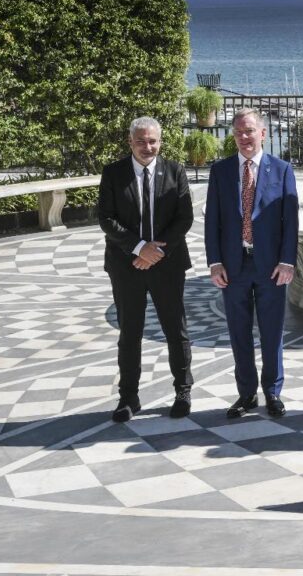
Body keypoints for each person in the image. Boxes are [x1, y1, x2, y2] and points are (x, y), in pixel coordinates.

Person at [97, 117, 194, 422]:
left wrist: (157, 251)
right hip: (127, 265)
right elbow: (106, 218)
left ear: (160, 142)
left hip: (167, 264)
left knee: (175, 329)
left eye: (152, 141)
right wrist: (140, 248)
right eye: (141, 141)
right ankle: (129, 398)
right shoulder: (113, 173)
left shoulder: (175, 171)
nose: (147, 147)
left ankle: (183, 391)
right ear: (130, 142)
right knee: (130, 332)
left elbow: (184, 217)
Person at [205, 107, 299, 419]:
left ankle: (272, 391)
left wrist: (288, 261)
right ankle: (246, 394)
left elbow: (289, 219)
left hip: (271, 266)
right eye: (239, 132)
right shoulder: (221, 172)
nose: (245, 137)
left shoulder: (282, 169)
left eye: (250, 131)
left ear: (263, 134)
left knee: (272, 332)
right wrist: (215, 262)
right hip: (233, 267)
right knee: (239, 332)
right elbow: (213, 222)